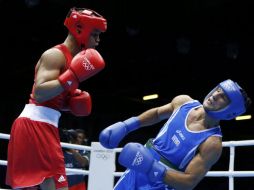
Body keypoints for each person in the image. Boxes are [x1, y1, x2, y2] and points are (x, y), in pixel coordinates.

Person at [6, 7, 107, 190]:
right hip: (35, 126)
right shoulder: (55, 55)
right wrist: (72, 78)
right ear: (79, 30)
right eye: (95, 34)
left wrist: (70, 104)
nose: (98, 41)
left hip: (44, 126)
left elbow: (52, 97)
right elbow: (39, 92)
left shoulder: (71, 60)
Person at [99, 79, 252, 190]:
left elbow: (189, 182)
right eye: (218, 89)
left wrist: (152, 168)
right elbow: (157, 114)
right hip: (137, 167)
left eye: (223, 97)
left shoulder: (212, 143)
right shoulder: (184, 102)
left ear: (230, 111)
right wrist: (127, 125)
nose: (215, 95)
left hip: (160, 185)